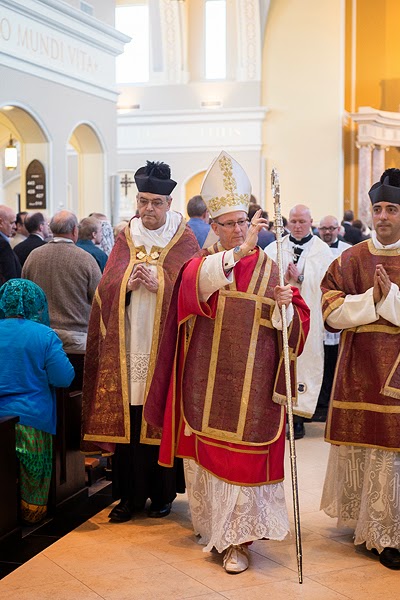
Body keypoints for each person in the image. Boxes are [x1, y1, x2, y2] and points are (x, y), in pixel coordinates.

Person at [146, 151, 310, 574]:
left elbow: (295, 326)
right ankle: (216, 530)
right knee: (210, 464)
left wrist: (284, 306)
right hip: (207, 382)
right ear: (212, 226)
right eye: (228, 224)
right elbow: (193, 289)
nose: (237, 230)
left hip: (253, 388)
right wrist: (238, 255)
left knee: (243, 462)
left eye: (242, 222)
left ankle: (239, 541)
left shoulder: (271, 267)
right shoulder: (202, 265)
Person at [82, 160, 199, 523]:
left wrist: (161, 284)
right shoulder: (125, 236)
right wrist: (126, 285)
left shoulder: (185, 238)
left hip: (164, 348)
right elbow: (105, 287)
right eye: (143, 201)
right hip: (128, 342)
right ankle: (128, 497)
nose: (148, 209)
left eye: (155, 203)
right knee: (130, 420)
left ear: (169, 203)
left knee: (161, 415)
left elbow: (193, 289)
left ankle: (163, 494)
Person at [320, 168, 400, 571]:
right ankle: (373, 526)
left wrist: (391, 299)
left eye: (392, 208)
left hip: (397, 376)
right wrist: (372, 299)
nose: (383, 216)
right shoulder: (351, 258)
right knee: (370, 448)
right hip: (359, 370)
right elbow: (330, 310)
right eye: (378, 208)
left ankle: (390, 529)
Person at [0, 279, 74, 524]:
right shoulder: (43, 335)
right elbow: (63, 378)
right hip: (31, 421)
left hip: (1, 420)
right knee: (33, 474)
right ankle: (30, 514)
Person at [265, 205, 333, 439]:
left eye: (302, 221)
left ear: (310, 222)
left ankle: (298, 418)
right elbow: (264, 277)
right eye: (293, 221)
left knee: (303, 361)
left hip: (308, 318)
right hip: (280, 315)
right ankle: (278, 416)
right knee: (277, 361)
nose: (297, 225)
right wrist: (283, 279)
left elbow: (327, 283)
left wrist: (301, 278)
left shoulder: (322, 250)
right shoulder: (275, 247)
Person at [22, 210, 101, 390]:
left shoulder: (34, 256)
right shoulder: (85, 259)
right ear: (75, 230)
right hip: (76, 338)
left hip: (40, 335)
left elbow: (25, 293)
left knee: (44, 388)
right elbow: (99, 298)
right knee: (76, 392)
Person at [313, 216, 351, 422]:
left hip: (337, 314)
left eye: (331, 228)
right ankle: (319, 403)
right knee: (320, 359)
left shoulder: (347, 250)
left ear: (339, 229)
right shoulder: (313, 250)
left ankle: (331, 404)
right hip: (317, 313)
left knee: (334, 363)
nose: (327, 232)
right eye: (323, 228)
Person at [0, 204, 21, 284]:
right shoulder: (2, 244)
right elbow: (10, 277)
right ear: (0, 222)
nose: (15, 226)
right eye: (12, 223)